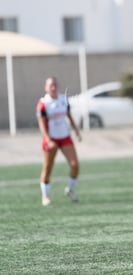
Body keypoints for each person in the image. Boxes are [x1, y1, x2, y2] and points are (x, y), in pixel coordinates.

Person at [36, 76, 81, 206]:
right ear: (46, 88)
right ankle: (45, 196)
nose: (53, 88)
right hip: (51, 139)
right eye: (50, 85)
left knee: (75, 165)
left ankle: (70, 189)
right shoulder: (43, 103)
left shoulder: (63, 99)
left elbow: (69, 116)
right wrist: (48, 139)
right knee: (48, 167)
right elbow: (42, 124)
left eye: (55, 85)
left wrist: (76, 131)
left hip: (65, 137)